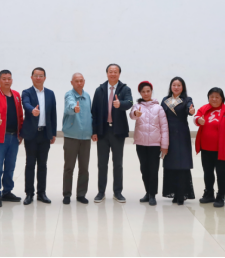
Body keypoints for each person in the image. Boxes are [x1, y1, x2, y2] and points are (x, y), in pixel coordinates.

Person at [91, 64, 134, 203]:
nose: (113, 74)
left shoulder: (125, 89)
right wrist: (94, 131)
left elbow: (129, 103)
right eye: (111, 71)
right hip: (102, 131)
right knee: (102, 164)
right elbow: (94, 111)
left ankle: (118, 192)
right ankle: (101, 192)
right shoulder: (100, 89)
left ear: (119, 74)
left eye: (115, 72)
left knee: (118, 163)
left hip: (118, 131)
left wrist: (120, 104)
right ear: (107, 73)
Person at [194, 88, 225, 208]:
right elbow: (196, 117)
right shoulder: (204, 108)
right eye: (211, 96)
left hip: (221, 149)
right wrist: (198, 120)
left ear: (222, 98)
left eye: (217, 97)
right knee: (207, 172)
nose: (214, 99)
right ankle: (209, 193)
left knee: (221, 173)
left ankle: (221, 196)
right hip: (206, 148)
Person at [0, 70, 24, 208]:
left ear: (12, 80)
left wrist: (20, 132)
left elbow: (20, 115)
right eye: (4, 78)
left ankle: (7, 191)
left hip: (14, 137)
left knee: (10, 166)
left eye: (9, 78)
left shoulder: (16, 95)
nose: (7, 81)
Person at [21, 68, 58, 205]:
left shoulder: (50, 93)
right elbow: (25, 104)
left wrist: (53, 133)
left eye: (41, 76)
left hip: (45, 134)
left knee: (43, 164)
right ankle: (29, 193)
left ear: (44, 78)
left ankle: (41, 193)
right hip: (31, 134)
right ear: (31, 77)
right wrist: (32, 110)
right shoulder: (26, 92)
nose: (38, 78)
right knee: (30, 164)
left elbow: (53, 114)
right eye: (36, 75)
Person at [130, 81, 169, 206]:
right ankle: (147, 192)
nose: (146, 94)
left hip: (154, 145)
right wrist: (135, 114)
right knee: (144, 169)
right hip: (141, 144)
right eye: (143, 92)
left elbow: (164, 128)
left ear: (151, 92)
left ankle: (152, 195)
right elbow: (132, 115)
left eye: (148, 91)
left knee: (153, 170)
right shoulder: (137, 106)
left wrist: (164, 145)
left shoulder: (159, 108)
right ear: (140, 93)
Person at [161, 77, 196, 205]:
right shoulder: (165, 100)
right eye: (174, 85)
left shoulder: (187, 99)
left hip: (181, 134)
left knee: (182, 164)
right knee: (170, 163)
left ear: (183, 87)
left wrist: (191, 111)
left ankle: (181, 194)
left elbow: (189, 108)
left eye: (179, 85)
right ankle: (173, 193)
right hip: (168, 134)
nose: (176, 87)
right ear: (171, 87)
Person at [62, 73, 93, 205]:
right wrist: (74, 108)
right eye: (76, 81)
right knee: (69, 167)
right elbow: (69, 106)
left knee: (84, 168)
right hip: (71, 137)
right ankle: (67, 194)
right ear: (72, 82)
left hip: (86, 138)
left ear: (84, 81)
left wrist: (93, 132)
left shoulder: (87, 96)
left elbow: (90, 115)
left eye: (81, 81)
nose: (79, 83)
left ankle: (81, 194)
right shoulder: (69, 95)